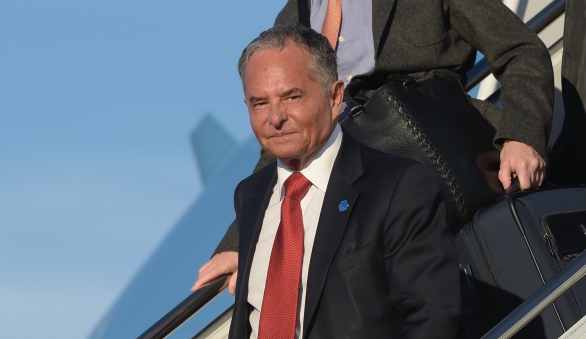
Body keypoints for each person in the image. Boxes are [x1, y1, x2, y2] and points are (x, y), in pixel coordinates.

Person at [215, 24, 480, 339]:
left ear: (335, 96)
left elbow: (432, 314)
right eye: (259, 103)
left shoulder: (397, 186)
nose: (274, 117)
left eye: (291, 96)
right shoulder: (251, 197)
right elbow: (266, 318)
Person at [191, 0, 554, 294]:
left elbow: (519, 50)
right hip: (372, 228)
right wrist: (243, 242)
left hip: (461, 181)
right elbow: (280, 143)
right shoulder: (291, 19)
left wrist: (521, 136)